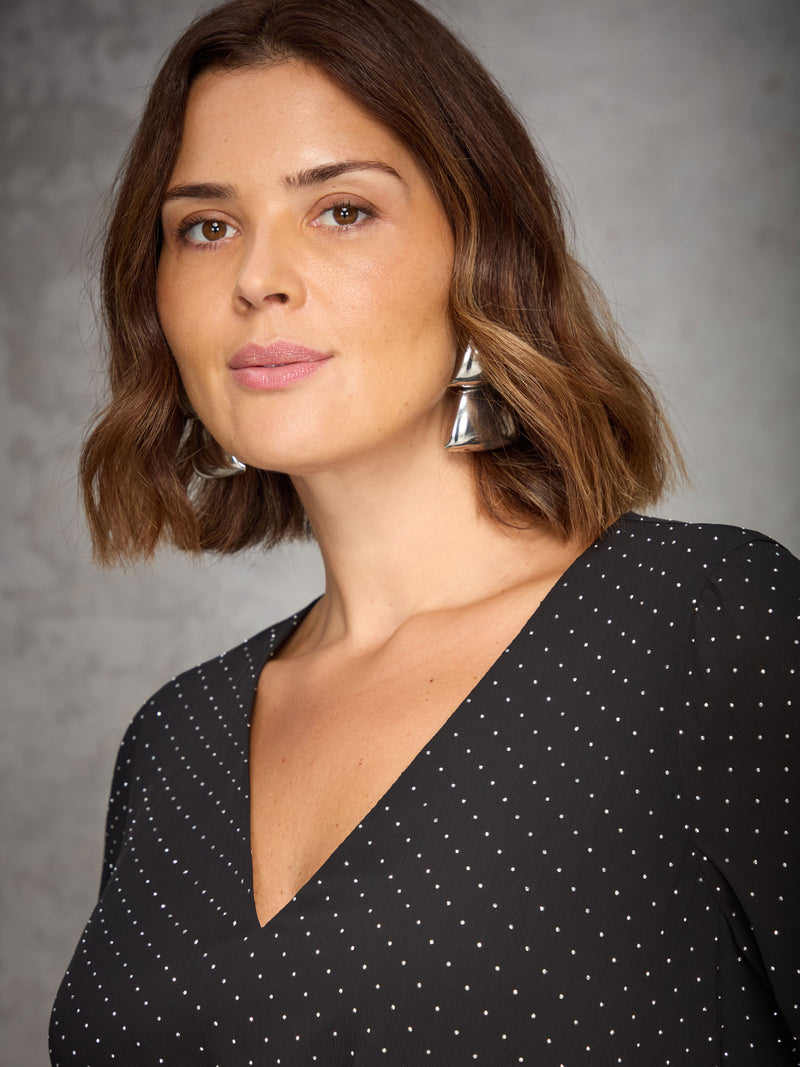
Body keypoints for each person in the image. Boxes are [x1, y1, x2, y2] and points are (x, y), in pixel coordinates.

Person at [49, 0, 798, 1062]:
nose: (256, 278)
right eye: (204, 226)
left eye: (340, 210)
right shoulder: (171, 745)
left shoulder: (709, 632)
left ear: (479, 250)